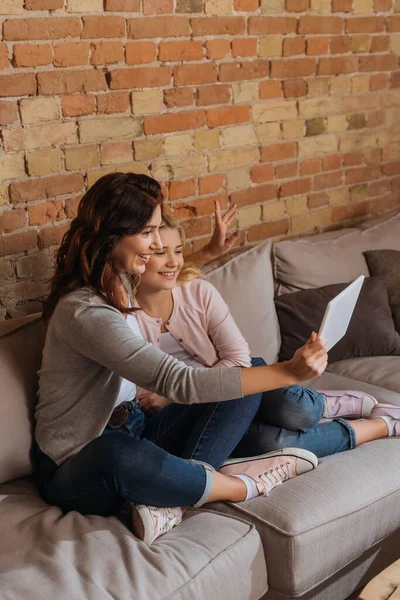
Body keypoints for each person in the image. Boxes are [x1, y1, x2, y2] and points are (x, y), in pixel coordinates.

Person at [33, 172, 330, 547]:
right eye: (147, 234)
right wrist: (290, 371)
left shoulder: (119, 280)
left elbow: (166, 274)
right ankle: (240, 485)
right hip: (75, 464)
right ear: (112, 235)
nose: (157, 244)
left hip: (136, 429)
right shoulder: (85, 312)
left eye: (158, 231)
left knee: (248, 371)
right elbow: (179, 383)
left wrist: (208, 253)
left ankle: (175, 496)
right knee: (117, 454)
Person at [134, 211, 400, 461]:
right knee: (270, 444)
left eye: (179, 251)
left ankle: (319, 404)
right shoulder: (120, 318)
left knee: (299, 412)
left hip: (228, 395)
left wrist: (173, 394)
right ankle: (381, 426)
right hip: (186, 415)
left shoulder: (199, 292)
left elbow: (239, 360)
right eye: (160, 253)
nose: (174, 261)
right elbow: (137, 396)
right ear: (137, 259)